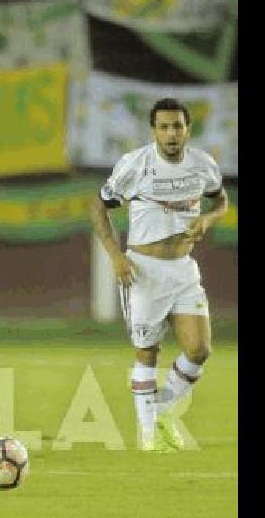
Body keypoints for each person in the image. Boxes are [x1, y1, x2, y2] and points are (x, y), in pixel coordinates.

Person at [90, 98, 228, 452]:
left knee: (199, 350)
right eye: (164, 127)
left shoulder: (203, 165)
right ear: (154, 131)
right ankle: (150, 436)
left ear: (188, 130)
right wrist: (115, 256)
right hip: (143, 270)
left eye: (177, 126)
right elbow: (98, 206)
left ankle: (162, 408)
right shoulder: (135, 164)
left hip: (183, 269)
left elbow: (221, 201)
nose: (171, 133)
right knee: (147, 353)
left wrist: (207, 220)